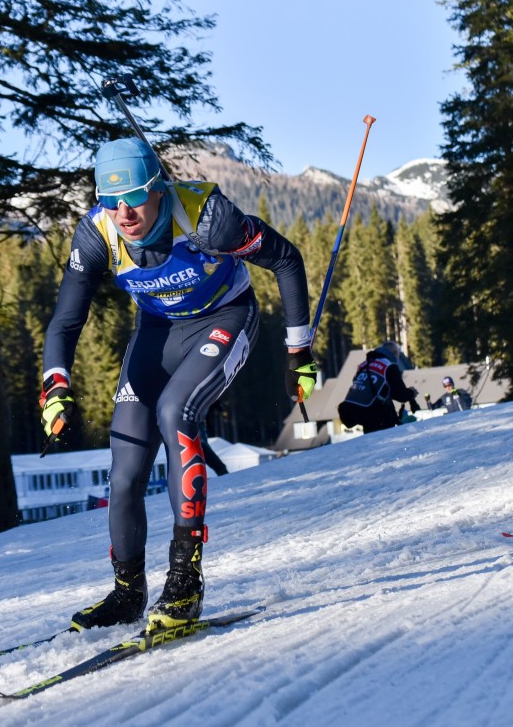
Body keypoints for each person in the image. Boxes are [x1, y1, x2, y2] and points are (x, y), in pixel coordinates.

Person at [40, 137, 317, 631]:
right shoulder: (97, 233)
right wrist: (55, 386)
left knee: (175, 413)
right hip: (160, 332)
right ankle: (128, 593)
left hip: (226, 316)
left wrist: (299, 352)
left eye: (134, 198)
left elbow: (287, 259)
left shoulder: (208, 218)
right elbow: (65, 322)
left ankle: (185, 584)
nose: (123, 213)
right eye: (110, 200)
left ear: (159, 190)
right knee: (125, 466)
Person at [337, 341, 420, 433]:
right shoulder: (389, 366)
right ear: (394, 353)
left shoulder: (364, 365)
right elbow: (400, 395)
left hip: (354, 410)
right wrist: (411, 393)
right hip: (376, 415)